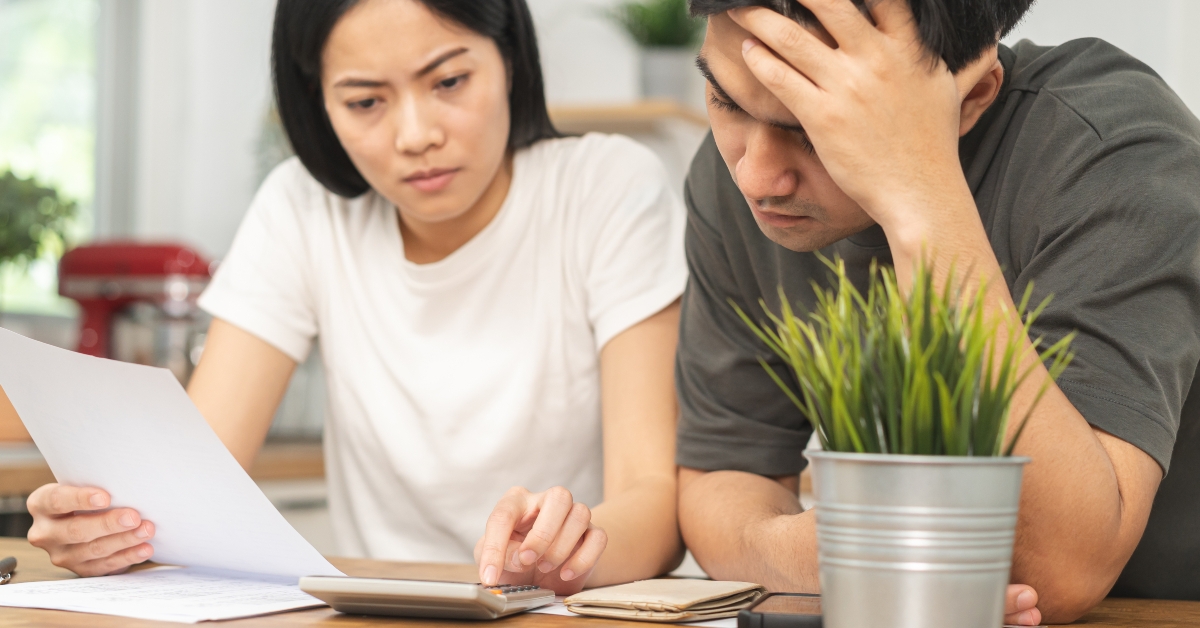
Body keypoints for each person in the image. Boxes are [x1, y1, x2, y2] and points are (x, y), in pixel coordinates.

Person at [25, 0, 687, 594]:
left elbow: (653, 501)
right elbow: (195, 485)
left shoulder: (606, 187)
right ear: (319, 105)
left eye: (449, 82)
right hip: (375, 610)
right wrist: (107, 530)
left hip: (562, 610)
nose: (415, 135)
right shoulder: (301, 207)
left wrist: (568, 556)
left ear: (509, 55)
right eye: (366, 102)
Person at [674, 0, 1200, 624]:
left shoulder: (1112, 148)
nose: (756, 176)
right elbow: (720, 479)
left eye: (813, 125)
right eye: (726, 101)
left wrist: (918, 195)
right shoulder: (730, 177)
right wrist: (823, 554)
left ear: (971, 96)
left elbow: (1060, 571)